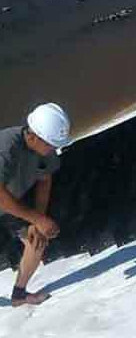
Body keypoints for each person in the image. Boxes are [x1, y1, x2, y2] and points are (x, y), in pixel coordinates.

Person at [0, 103, 70, 308]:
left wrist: (37, 220)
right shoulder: (5, 147)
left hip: (10, 202)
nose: (53, 149)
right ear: (34, 137)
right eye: (51, 144)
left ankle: (19, 294)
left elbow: (44, 179)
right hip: (4, 198)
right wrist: (37, 219)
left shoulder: (45, 150)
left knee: (37, 240)